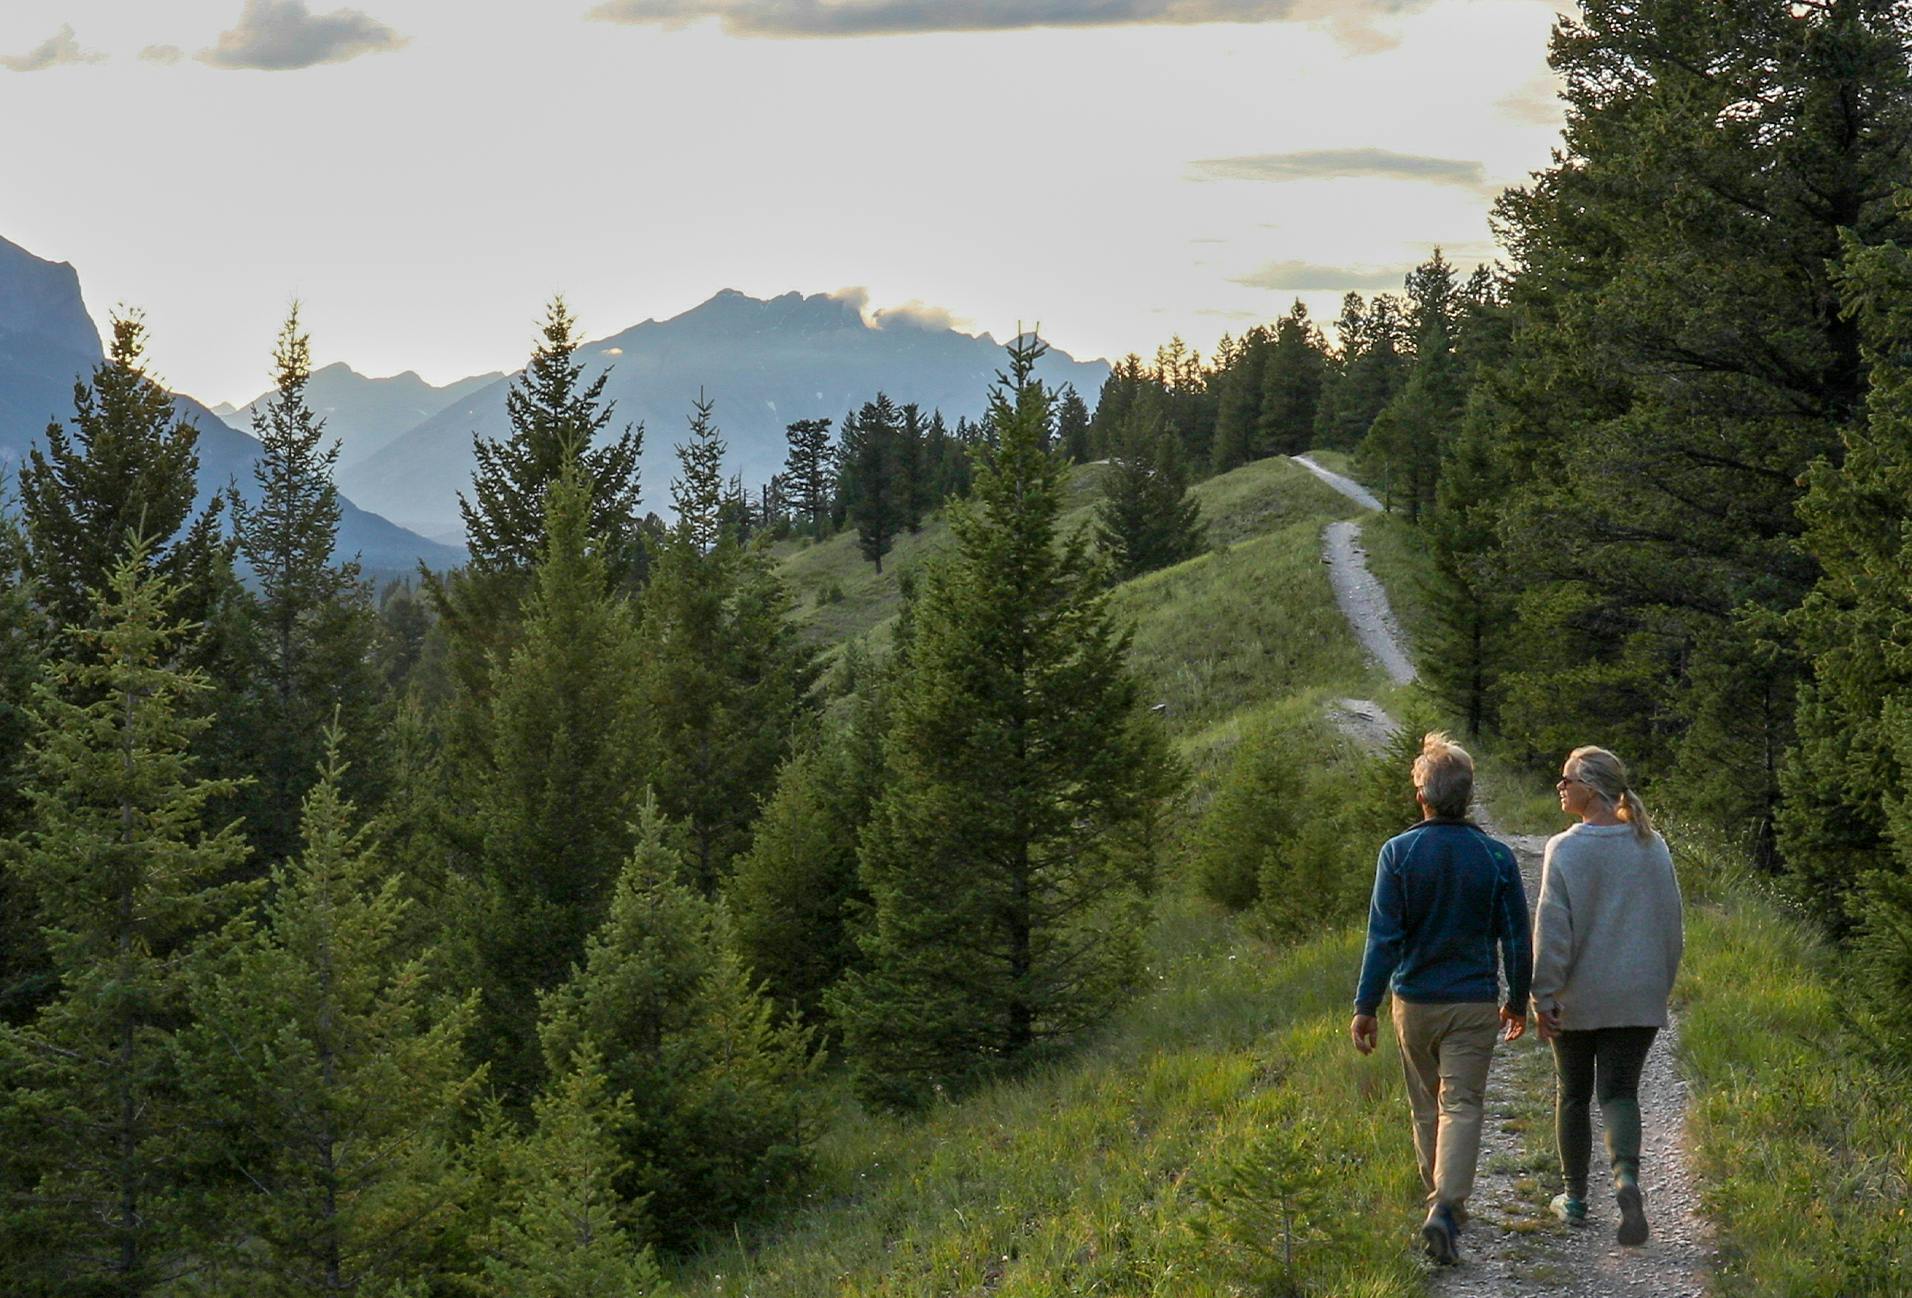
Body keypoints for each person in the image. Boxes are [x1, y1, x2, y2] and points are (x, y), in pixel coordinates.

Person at [1351, 732, 1531, 1266]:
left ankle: (1439, 1203)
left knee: (1427, 1106)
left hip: (1415, 1002)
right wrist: (1516, 1000)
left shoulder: (1398, 853)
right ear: (1467, 796)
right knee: (1463, 1105)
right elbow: (1517, 937)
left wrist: (1366, 1005)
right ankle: (1446, 1209)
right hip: (1474, 1002)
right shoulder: (1495, 857)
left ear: (1421, 797)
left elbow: (1383, 937)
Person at [1531, 745, 1683, 1247]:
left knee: (1573, 1093)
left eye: (1567, 778)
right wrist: (1660, 982)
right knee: (1620, 1093)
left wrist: (1543, 993)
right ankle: (1627, 1182)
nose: (1561, 786)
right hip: (1637, 992)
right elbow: (1672, 926)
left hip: (1580, 995)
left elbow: (1554, 932)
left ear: (1590, 788)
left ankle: (1574, 1201)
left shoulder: (1567, 849)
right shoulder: (1652, 845)